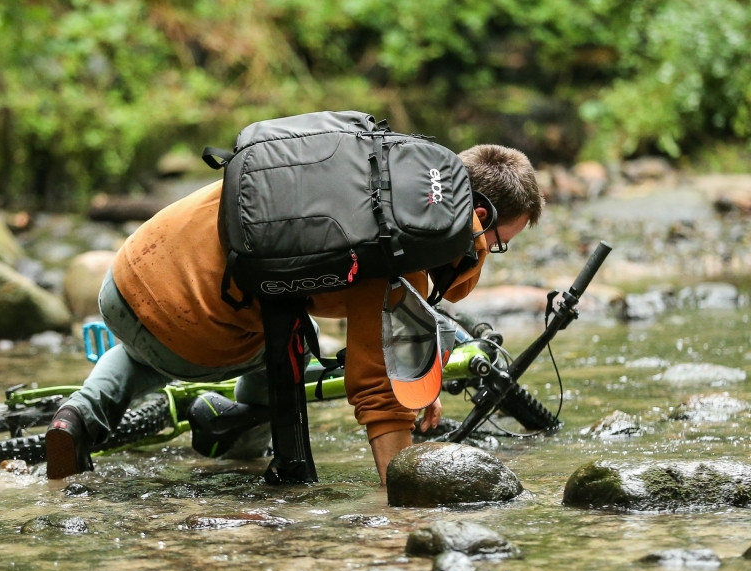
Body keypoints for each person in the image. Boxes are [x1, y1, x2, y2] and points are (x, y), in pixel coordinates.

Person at [46, 143, 544, 484]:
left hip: (126, 273)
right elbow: (376, 389)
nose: (489, 254)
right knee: (292, 346)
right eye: (499, 244)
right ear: (478, 218)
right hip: (186, 320)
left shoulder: (374, 164)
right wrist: (403, 497)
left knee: (148, 347)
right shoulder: (399, 243)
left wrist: (421, 376)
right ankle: (236, 433)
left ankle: (79, 416)